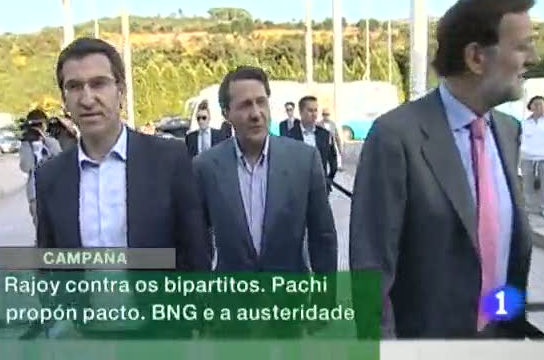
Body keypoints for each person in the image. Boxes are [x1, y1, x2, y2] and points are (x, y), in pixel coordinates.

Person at [349, 0, 538, 339]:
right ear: (476, 57)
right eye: (521, 46)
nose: (534, 58)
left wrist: (507, 331)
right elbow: (371, 272)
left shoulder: (508, 131)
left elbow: (506, 257)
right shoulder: (396, 137)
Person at [35, 37, 211, 270]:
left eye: (98, 84)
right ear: (64, 99)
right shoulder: (49, 177)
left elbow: (196, 257)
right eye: (75, 87)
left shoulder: (169, 161)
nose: (87, 99)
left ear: (121, 91)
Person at [193, 66, 337, 273]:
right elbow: (197, 243)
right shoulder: (205, 167)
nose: (256, 113)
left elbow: (323, 238)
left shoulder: (304, 160)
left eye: (261, 102)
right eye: (245, 105)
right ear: (227, 114)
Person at [19, 109, 62, 230]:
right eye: (35, 125)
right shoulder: (26, 145)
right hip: (36, 192)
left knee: (58, 227)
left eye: (40, 124)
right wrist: (27, 145)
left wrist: (45, 139)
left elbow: (60, 157)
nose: (37, 128)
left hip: (55, 191)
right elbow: (26, 167)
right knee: (41, 229)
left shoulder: (52, 141)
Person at [288, 96, 338, 193]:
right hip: (298, 189)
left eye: (316, 110)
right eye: (310, 110)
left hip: (320, 188)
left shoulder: (325, 135)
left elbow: (333, 160)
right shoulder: (291, 136)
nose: (314, 114)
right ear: (301, 112)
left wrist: (328, 180)